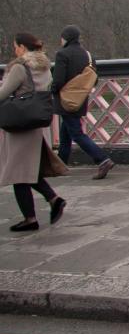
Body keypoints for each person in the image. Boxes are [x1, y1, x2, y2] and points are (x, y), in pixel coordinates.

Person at [0, 34, 68, 231]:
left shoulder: (20, 67)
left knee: (18, 173)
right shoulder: (45, 67)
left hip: (20, 125)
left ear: (22, 47)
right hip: (37, 123)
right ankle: (54, 199)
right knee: (28, 170)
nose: (15, 50)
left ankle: (30, 218)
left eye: (16, 46)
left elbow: (4, 94)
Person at [51, 25, 114, 179]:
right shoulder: (88, 55)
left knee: (77, 133)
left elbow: (58, 80)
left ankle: (102, 159)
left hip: (66, 100)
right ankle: (61, 164)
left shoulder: (62, 54)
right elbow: (94, 79)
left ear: (65, 38)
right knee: (66, 131)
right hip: (80, 99)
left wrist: (52, 91)